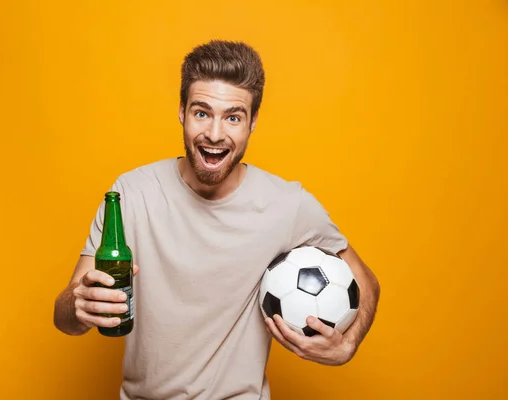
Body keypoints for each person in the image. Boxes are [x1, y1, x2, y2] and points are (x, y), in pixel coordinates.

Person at [53, 40, 380, 400]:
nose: (214, 134)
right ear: (181, 111)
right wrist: (79, 305)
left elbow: (366, 281)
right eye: (202, 113)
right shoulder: (132, 194)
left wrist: (347, 346)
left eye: (233, 117)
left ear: (253, 121)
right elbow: (65, 318)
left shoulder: (288, 205)